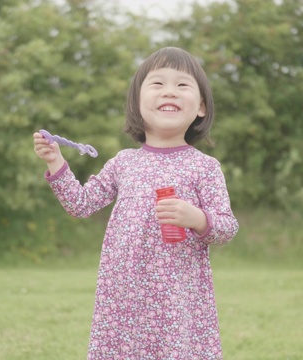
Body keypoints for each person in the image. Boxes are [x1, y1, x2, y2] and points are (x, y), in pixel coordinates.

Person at [33, 47, 239, 359]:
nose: (169, 91)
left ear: (201, 107)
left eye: (182, 85)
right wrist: (56, 162)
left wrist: (198, 218)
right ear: (137, 104)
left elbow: (226, 227)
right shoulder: (124, 163)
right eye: (157, 84)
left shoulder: (204, 167)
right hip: (124, 298)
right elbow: (81, 203)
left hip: (177, 300)